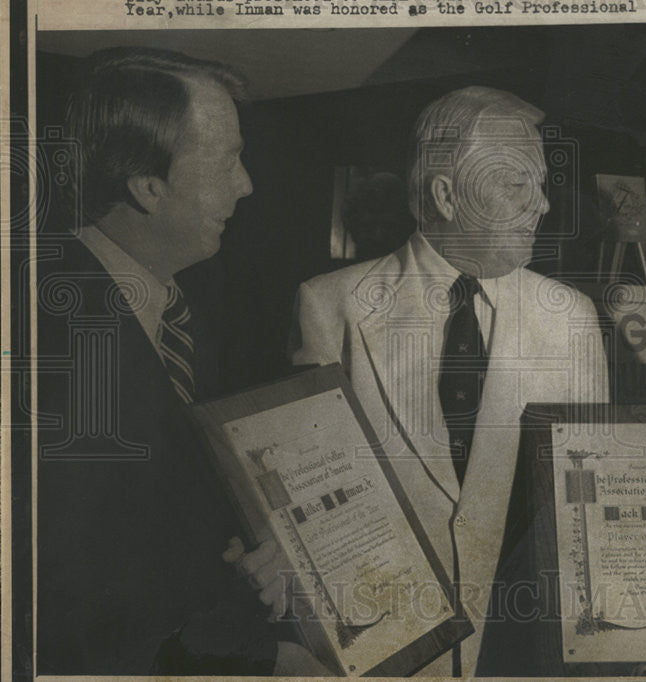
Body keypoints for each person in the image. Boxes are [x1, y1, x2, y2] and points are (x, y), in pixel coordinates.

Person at [286, 86, 610, 675]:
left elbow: (587, 505)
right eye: (517, 183)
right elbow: (315, 507)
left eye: (539, 185)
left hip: (523, 654)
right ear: (445, 195)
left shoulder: (571, 319)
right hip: (387, 654)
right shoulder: (331, 305)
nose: (541, 205)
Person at [34, 46, 305, 674]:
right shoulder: (49, 341)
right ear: (149, 186)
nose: (247, 184)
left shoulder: (186, 301)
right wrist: (254, 652)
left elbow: (164, 518)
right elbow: (66, 612)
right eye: (228, 161)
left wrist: (245, 555)